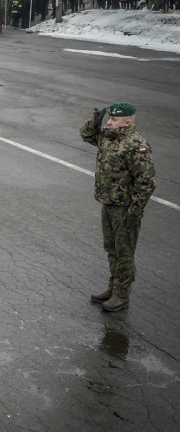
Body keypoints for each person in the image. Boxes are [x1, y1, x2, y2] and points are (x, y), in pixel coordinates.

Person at [80, 103, 156, 312]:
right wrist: (93, 122)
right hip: (109, 202)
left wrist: (135, 211)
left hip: (125, 208)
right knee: (111, 248)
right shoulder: (108, 137)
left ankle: (122, 294)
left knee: (124, 252)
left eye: (114, 119)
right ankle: (113, 288)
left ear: (128, 121)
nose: (109, 122)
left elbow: (146, 182)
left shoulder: (135, 144)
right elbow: (86, 135)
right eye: (109, 119)